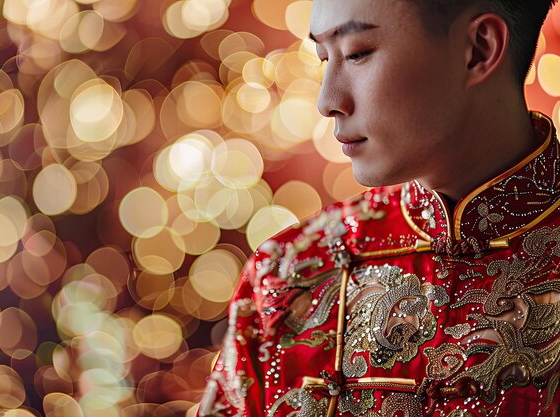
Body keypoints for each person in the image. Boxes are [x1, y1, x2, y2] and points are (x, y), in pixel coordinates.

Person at [198, 0, 560, 415]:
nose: (327, 100)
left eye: (356, 54)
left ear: (478, 49)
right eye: (322, 57)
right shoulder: (286, 273)